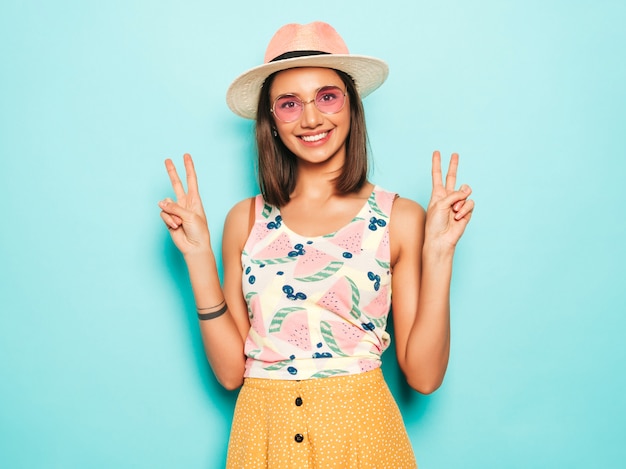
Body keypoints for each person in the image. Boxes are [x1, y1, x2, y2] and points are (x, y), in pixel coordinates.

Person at [159, 21, 473, 469]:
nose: (311, 118)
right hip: (263, 437)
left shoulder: (398, 218)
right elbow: (231, 373)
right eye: (289, 104)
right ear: (270, 120)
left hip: (362, 439)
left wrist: (440, 253)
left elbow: (423, 377)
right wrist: (197, 257)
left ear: (352, 105)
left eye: (327, 96)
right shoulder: (243, 221)